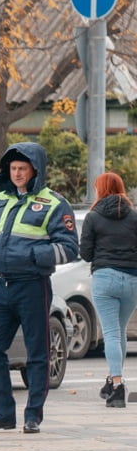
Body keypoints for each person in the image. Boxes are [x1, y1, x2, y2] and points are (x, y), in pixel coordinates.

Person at [0, 142, 78, 434]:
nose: (17, 174)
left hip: (33, 286)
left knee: (37, 352)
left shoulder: (55, 204)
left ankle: (33, 415)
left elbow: (69, 248)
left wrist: (32, 257)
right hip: (1, 285)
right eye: (13, 168)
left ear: (35, 170)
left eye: (23, 169)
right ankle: (3, 413)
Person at [79, 172, 137, 408]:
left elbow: (85, 253)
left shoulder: (93, 217)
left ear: (100, 190)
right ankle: (114, 378)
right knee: (120, 332)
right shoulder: (134, 216)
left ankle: (117, 385)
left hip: (105, 277)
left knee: (112, 333)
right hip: (133, 278)